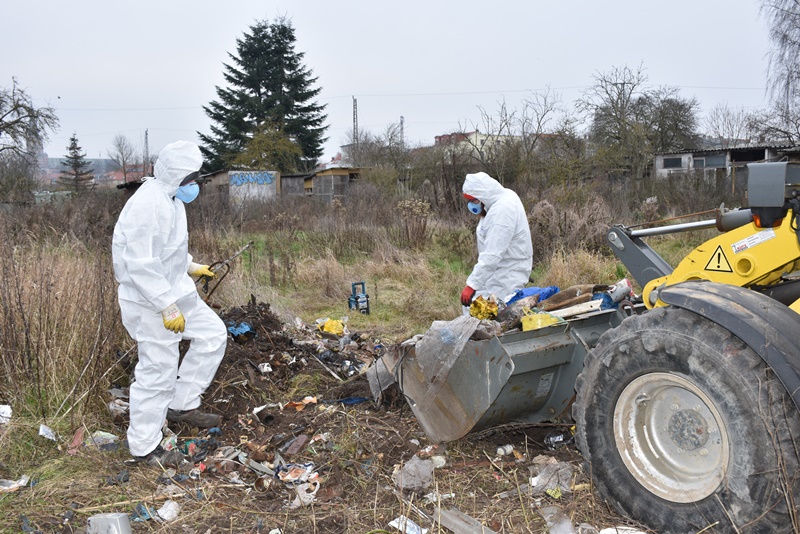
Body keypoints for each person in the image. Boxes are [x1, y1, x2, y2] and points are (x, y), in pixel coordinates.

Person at [112, 140, 227, 464]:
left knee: (213, 335)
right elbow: (139, 264)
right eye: (192, 177)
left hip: (177, 293)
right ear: (177, 175)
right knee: (158, 370)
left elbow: (167, 248)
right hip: (150, 303)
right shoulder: (148, 205)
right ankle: (144, 447)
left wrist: (190, 265)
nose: (195, 184)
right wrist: (166, 305)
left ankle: (181, 404)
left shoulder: (171, 199)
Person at [460, 172, 533, 309]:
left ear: (483, 195)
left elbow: (492, 254)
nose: (471, 204)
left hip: (507, 274)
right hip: (499, 270)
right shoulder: (500, 199)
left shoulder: (502, 210)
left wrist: (472, 285)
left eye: (474, 200)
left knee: (495, 315)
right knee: (478, 310)